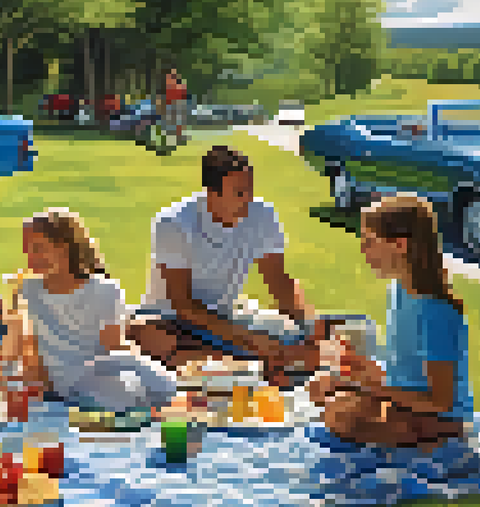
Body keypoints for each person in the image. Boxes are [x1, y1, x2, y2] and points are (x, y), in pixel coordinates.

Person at [127, 146, 334, 385]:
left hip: (225, 321)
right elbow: (183, 305)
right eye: (239, 193)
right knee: (148, 336)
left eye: (250, 191)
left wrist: (309, 324)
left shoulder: (262, 215)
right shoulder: (174, 224)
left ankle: (247, 365)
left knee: (303, 350)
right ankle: (249, 365)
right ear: (211, 193)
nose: (248, 200)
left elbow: (280, 283)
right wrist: (252, 340)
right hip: (170, 322)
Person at [308, 195, 471, 448]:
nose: (363, 250)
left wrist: (370, 390)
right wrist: (359, 370)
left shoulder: (435, 312)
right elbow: (403, 369)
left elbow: (441, 401)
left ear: (400, 245)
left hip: (439, 421)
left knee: (338, 414)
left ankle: (413, 445)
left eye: (370, 242)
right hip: (403, 405)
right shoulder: (398, 290)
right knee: (321, 391)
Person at [13, 208, 178, 412]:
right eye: (26, 251)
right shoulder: (27, 291)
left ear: (65, 247)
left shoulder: (103, 290)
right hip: (75, 382)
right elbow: (30, 348)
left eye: (38, 249)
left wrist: (144, 363)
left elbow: (113, 348)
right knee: (142, 393)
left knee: (164, 384)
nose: (31, 259)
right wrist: (38, 387)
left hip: (101, 371)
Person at [162, 68, 189, 145]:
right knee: (172, 121)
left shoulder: (177, 85)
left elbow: (183, 93)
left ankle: (177, 137)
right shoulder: (171, 83)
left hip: (177, 104)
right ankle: (173, 137)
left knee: (177, 121)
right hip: (172, 104)